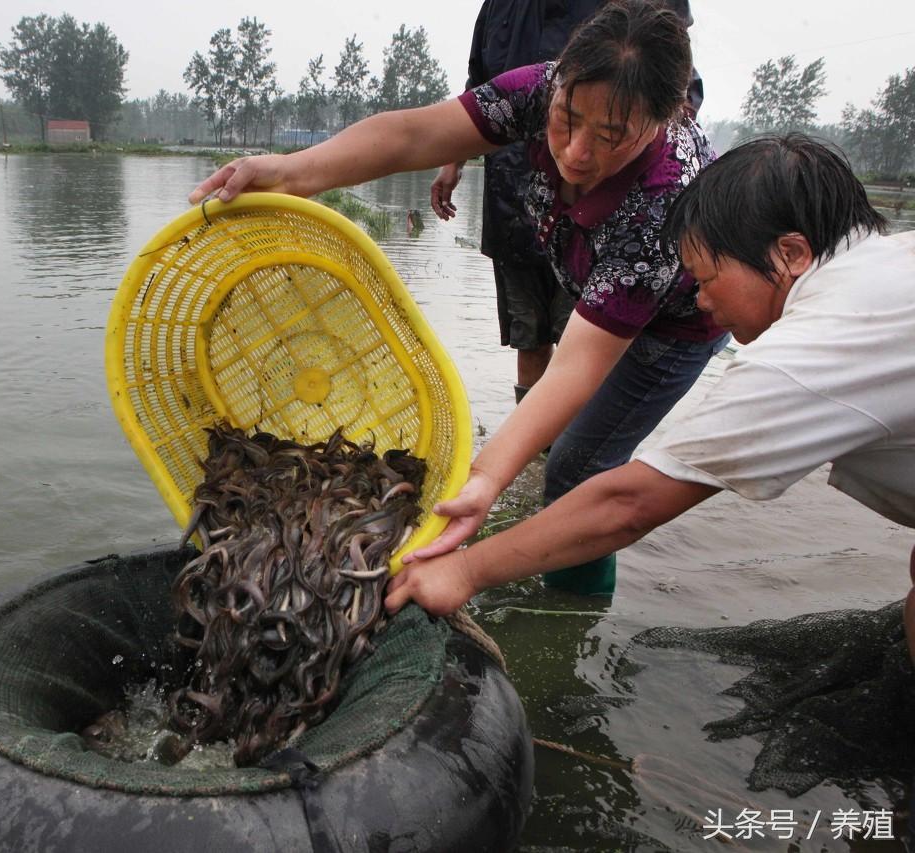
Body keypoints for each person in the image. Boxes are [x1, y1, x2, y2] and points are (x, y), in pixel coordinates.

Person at [189, 0, 726, 596]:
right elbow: (414, 133)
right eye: (567, 120)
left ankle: (574, 614)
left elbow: (580, 364)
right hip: (590, 272)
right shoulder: (540, 89)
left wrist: (485, 477)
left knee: (578, 466)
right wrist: (290, 172)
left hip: (677, 324)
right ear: (560, 83)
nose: (575, 153)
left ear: (663, 120)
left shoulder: (665, 198)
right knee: (552, 436)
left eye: (610, 137)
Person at [385, 134, 915, 663]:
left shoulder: (816, 347)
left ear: (791, 253)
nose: (702, 301)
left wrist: (464, 570)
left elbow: (630, 503)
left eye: (707, 277)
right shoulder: (889, 269)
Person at [430, 0, 702, 406]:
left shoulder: (627, 24)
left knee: (582, 343)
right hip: (513, 201)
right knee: (529, 336)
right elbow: (479, 85)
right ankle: (536, 455)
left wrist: (624, 153)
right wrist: (452, 161)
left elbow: (677, 92)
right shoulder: (501, 8)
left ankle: (566, 454)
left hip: (598, 222)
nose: (575, 150)